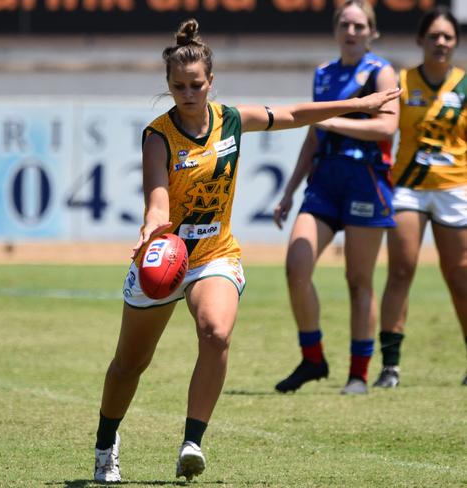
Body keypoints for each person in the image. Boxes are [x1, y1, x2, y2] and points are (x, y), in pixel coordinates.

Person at [92, 17, 399, 483]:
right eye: (178, 86)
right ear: (168, 86)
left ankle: (192, 442)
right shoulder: (158, 135)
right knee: (130, 363)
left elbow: (295, 115)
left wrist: (359, 103)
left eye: (196, 85)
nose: (188, 93)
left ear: (211, 83)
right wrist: (152, 227)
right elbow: (157, 198)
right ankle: (105, 443)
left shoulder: (231, 119)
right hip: (166, 255)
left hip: (216, 253)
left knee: (215, 332)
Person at [272, 0, 400, 395]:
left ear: (372, 32)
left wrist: (332, 120)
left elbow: (387, 127)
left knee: (358, 280)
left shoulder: (381, 71)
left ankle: (359, 373)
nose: (351, 31)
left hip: (364, 180)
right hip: (324, 182)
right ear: (335, 29)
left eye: (359, 25)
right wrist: (290, 189)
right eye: (345, 23)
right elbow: (313, 135)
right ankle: (313, 359)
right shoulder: (324, 74)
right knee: (297, 265)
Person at [374, 7, 467, 388]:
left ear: (456, 42)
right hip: (409, 189)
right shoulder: (401, 80)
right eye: (434, 36)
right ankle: (390, 367)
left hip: (454, 189)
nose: (441, 43)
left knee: (460, 277)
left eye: (448, 36)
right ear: (421, 41)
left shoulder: (464, 86)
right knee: (400, 271)